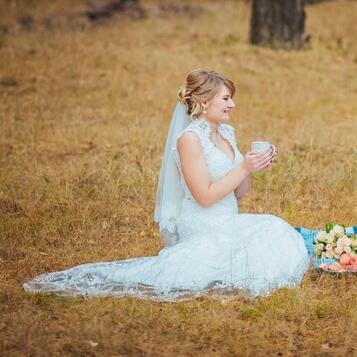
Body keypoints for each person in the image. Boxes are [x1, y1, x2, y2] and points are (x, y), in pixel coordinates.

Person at [24, 70, 309, 300]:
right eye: (225, 98)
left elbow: (238, 192)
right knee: (270, 233)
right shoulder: (189, 139)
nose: (232, 104)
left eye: (231, 98)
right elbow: (205, 197)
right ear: (203, 102)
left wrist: (251, 168)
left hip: (228, 220)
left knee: (276, 233)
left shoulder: (226, 133)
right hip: (203, 224)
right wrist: (244, 167)